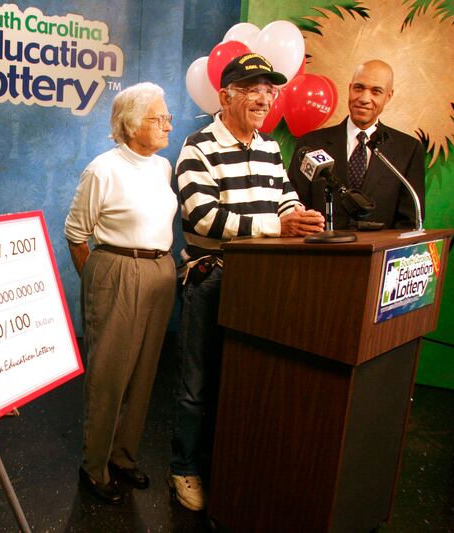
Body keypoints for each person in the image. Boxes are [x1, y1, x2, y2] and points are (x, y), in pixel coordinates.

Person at [170, 53, 325, 512]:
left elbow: (285, 197)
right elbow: (203, 217)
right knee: (196, 385)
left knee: (241, 380)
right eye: (254, 90)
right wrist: (277, 227)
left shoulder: (270, 147)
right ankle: (184, 468)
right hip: (212, 279)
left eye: (270, 91)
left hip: (262, 282)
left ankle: (226, 464)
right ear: (225, 97)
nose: (265, 99)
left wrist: (299, 216)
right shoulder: (197, 147)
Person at [65, 82, 177, 505]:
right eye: (158, 118)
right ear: (131, 125)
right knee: (109, 376)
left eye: (167, 117)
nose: (168, 125)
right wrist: (100, 283)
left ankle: (123, 456)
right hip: (118, 268)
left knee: (145, 372)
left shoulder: (162, 167)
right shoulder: (102, 170)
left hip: (161, 269)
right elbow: (76, 234)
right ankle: (94, 467)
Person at [289, 59, 425, 229]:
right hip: (322, 244)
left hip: (380, 245)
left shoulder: (408, 149)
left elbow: (409, 221)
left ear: (388, 96)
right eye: (359, 88)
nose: (364, 98)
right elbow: (295, 208)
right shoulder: (311, 144)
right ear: (350, 88)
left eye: (376, 91)